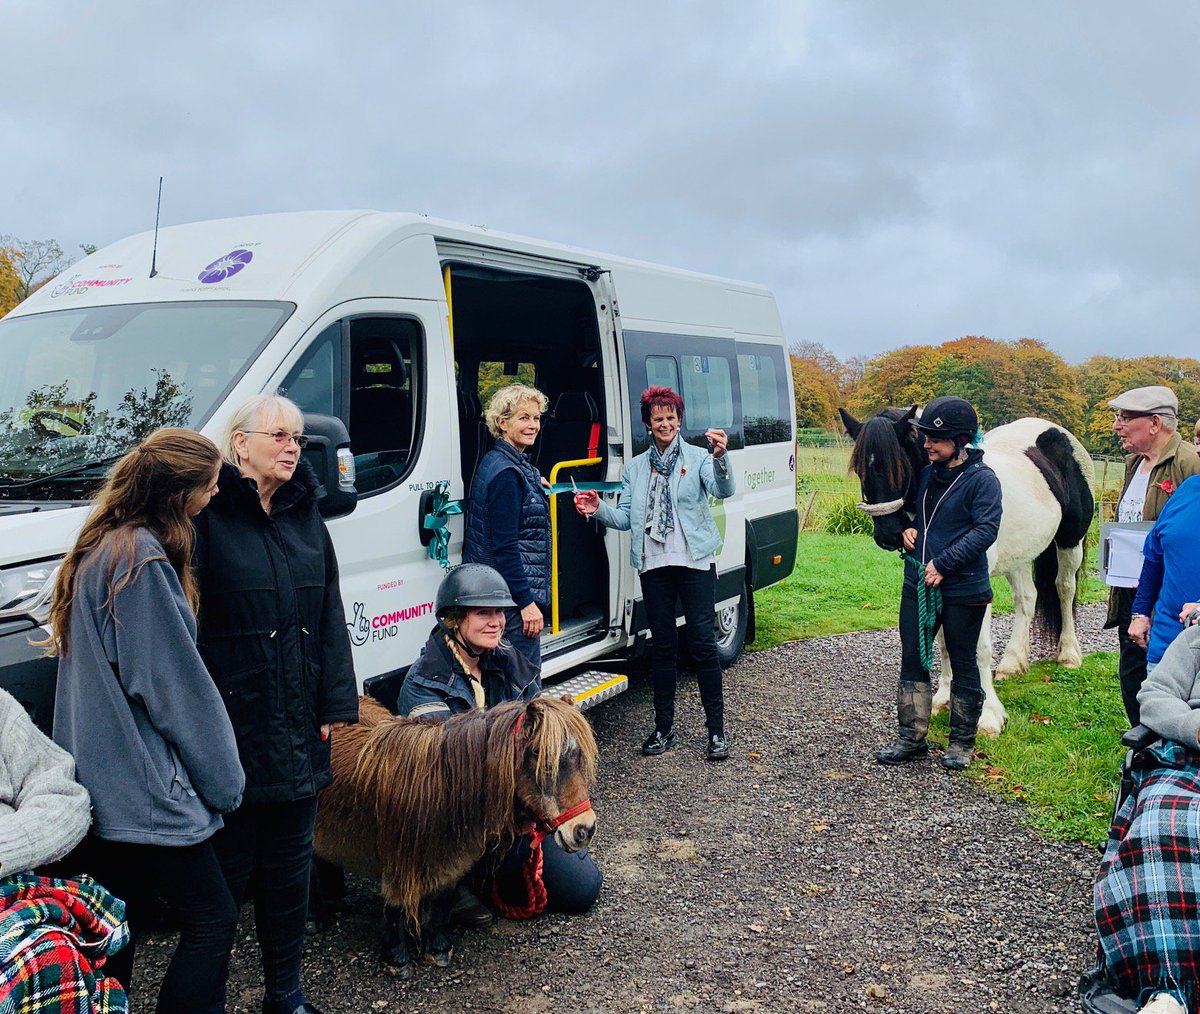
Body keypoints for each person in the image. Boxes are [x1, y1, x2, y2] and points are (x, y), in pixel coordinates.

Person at [48, 428, 246, 1011]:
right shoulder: (141, 560)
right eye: (209, 485)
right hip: (145, 789)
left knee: (115, 926)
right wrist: (224, 781)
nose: (214, 495)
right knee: (214, 918)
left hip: (101, 785)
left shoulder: (102, 546)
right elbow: (176, 689)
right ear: (179, 492)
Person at [193, 394, 359, 1014]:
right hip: (232, 724)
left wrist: (335, 700)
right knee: (227, 875)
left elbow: (329, 611)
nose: (294, 445)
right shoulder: (207, 516)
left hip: (297, 723)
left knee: (291, 871)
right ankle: (205, 995)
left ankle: (284, 994)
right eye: (280, 435)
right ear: (240, 444)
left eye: (298, 437)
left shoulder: (304, 515)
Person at [397, 563, 601, 918]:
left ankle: (490, 874)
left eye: (500, 613)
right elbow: (447, 780)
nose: (496, 621)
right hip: (458, 818)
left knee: (582, 889)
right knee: (510, 856)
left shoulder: (510, 662)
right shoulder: (423, 684)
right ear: (454, 619)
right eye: (482, 613)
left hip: (514, 807)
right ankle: (452, 882)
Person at [574, 385, 736, 761]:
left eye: (671, 417)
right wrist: (597, 507)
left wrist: (722, 457)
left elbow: (723, 489)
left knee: (702, 645)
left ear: (679, 420)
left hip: (694, 561)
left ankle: (716, 732)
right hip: (654, 564)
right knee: (662, 647)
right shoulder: (635, 467)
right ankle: (663, 729)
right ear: (648, 424)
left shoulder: (698, 458)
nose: (665, 423)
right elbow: (625, 518)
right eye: (658, 418)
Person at [875, 396, 1002, 771]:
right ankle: (910, 737)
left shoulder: (983, 481)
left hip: (964, 588)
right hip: (919, 583)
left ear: (960, 440)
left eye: (936, 438)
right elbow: (922, 515)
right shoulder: (928, 474)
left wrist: (944, 563)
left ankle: (961, 742)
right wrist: (910, 530)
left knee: (963, 662)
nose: (927, 444)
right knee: (913, 657)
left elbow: (985, 530)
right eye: (926, 436)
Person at [1090, 622, 1200, 1014]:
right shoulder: (1196, 638)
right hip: (1190, 756)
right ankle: (1170, 987)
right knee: (1160, 824)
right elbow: (1154, 693)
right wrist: (1193, 727)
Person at [1104, 385, 1200, 726]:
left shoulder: (1188, 464)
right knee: (1131, 669)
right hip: (1131, 588)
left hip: (1174, 600)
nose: (1116, 425)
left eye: (1125, 417)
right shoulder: (1133, 463)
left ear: (1155, 423)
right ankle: (1141, 747)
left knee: (1170, 679)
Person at [462, 383, 551, 668]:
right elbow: (506, 547)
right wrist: (526, 604)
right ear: (501, 423)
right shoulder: (507, 475)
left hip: (497, 592)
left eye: (536, 418)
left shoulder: (499, 460)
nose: (533, 425)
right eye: (523, 418)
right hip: (510, 601)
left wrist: (533, 482)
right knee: (522, 686)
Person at [1127, 475, 1200, 676]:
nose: (1198, 449)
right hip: (1166, 648)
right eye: (1197, 441)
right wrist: (1140, 612)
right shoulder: (1188, 489)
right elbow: (1154, 557)